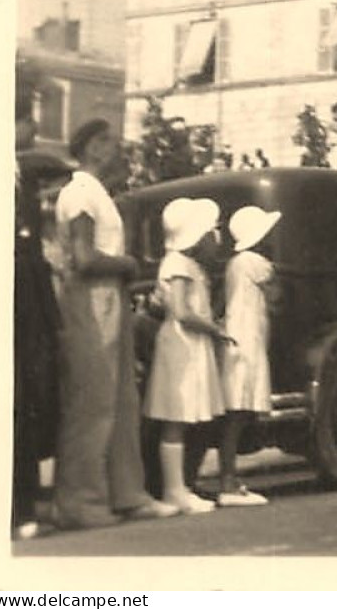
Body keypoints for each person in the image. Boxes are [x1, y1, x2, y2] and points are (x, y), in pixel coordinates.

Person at [53, 119, 180, 529]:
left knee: (122, 398)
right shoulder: (78, 193)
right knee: (94, 402)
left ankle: (128, 495)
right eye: (106, 141)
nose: (114, 148)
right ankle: (79, 502)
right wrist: (129, 264)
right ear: (90, 147)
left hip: (112, 297)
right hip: (92, 300)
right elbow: (84, 258)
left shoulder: (97, 192)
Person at [144, 198, 230, 514]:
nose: (216, 237)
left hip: (191, 345)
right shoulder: (178, 264)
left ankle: (182, 485)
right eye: (211, 231)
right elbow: (180, 311)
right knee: (177, 415)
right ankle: (174, 489)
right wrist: (214, 329)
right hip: (182, 346)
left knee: (188, 415)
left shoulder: (187, 265)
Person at [13, 79, 64, 539]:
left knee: (25, 400)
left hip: (27, 296)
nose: (32, 130)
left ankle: (24, 504)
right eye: (27, 121)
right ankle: (18, 508)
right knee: (17, 400)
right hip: (17, 298)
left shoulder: (20, 178)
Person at [217, 205, 282, 508]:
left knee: (236, 411)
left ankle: (227, 477)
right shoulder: (257, 262)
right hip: (248, 340)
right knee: (239, 411)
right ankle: (228, 481)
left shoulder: (233, 263)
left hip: (236, 334)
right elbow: (276, 295)